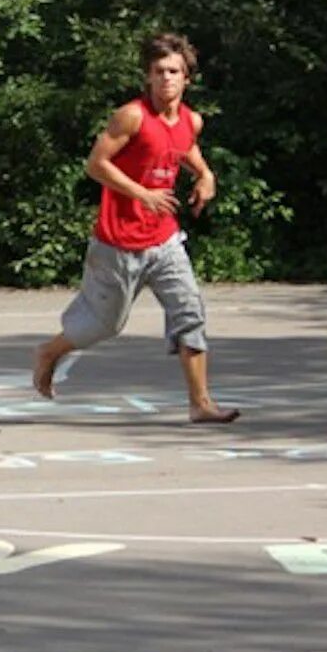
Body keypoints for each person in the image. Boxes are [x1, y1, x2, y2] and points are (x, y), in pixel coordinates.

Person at [32, 32, 241, 423]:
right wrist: (141, 193)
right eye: (159, 72)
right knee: (105, 325)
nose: (167, 79)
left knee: (189, 311)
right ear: (148, 76)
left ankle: (201, 404)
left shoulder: (190, 121)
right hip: (117, 243)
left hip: (164, 239)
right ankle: (49, 352)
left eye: (174, 72)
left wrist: (206, 176)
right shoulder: (132, 117)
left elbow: (186, 148)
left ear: (186, 78)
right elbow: (96, 164)